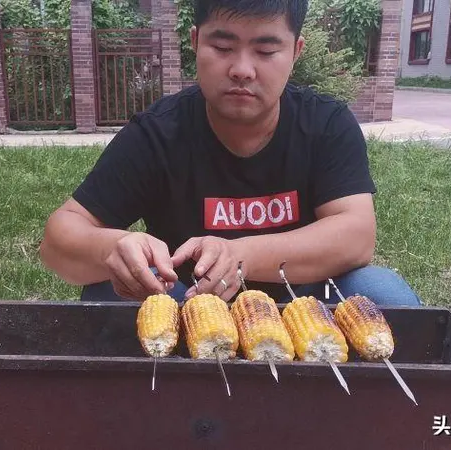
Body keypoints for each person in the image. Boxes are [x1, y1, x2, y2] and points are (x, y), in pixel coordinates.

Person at [39, 0, 422, 306]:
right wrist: (114, 248)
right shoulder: (157, 134)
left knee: (384, 294)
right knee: (109, 291)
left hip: (304, 300)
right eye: (222, 47)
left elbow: (356, 236)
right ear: (195, 42)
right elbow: (59, 240)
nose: (242, 69)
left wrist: (241, 256)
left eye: (266, 50)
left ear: (296, 51)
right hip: (187, 300)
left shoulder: (326, 123)